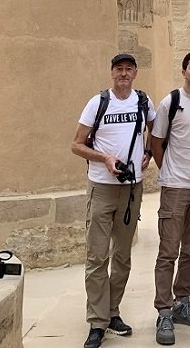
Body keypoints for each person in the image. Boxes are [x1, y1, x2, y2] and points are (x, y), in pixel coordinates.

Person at [70, 53, 155, 348]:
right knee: (97, 256)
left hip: (132, 188)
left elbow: (155, 131)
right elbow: (76, 144)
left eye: (129, 69)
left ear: (135, 73)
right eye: (119, 69)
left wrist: (148, 153)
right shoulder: (98, 103)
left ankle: (112, 311)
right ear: (112, 73)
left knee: (122, 256)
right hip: (102, 187)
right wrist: (104, 158)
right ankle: (97, 322)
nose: (124, 74)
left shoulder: (143, 102)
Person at [148, 51, 190, 345]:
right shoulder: (171, 102)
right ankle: (164, 310)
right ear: (184, 71)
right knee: (168, 251)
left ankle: (182, 302)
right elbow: (156, 142)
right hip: (176, 186)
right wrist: (169, 173)